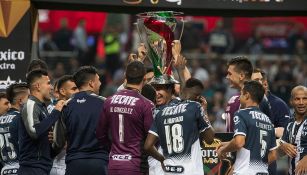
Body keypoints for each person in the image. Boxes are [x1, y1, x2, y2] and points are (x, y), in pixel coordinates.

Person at [144, 78, 214, 175]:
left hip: (167, 170)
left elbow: (147, 146)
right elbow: (210, 139)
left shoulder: (160, 113)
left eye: (159, 89)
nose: (156, 93)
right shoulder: (194, 107)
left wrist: (161, 159)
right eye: (154, 89)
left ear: (170, 89)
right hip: (189, 171)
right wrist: (203, 111)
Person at [96, 61, 154, 175]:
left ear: (125, 78)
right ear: (145, 80)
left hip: (113, 164)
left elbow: (100, 134)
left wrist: (113, 149)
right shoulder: (146, 104)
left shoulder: (109, 101)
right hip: (135, 165)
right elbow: (151, 140)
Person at [53, 66, 108, 175]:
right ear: (91, 83)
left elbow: (58, 142)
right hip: (99, 162)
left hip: (74, 163)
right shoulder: (105, 103)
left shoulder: (66, 106)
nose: (100, 83)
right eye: (99, 80)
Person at [217, 80, 277, 175]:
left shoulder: (242, 113)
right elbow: (273, 155)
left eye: (241, 94)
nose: (239, 98)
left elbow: (239, 143)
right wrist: (227, 144)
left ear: (247, 95)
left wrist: (223, 150)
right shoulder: (268, 121)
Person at [18, 69, 65, 175]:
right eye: (48, 83)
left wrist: (56, 141)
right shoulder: (30, 104)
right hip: (31, 168)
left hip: (42, 168)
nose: (51, 87)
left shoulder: (42, 108)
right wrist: (56, 112)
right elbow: (34, 131)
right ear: (38, 86)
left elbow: (42, 137)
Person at [224, 56, 271, 132]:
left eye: (230, 74)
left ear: (241, 76)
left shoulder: (257, 98)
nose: (227, 77)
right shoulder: (233, 98)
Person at [50, 75, 78, 175]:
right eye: (74, 89)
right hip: (57, 165)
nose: (77, 92)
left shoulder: (74, 110)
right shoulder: (53, 110)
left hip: (70, 164)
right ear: (62, 91)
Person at [252, 68, 290, 138]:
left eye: (254, 83)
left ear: (265, 84)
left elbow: (287, 133)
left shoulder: (279, 105)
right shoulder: (246, 103)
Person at [0, 83, 29, 175]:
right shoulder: (22, 118)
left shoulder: (0, 119)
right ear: (20, 101)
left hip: (5, 170)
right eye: (29, 97)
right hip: (21, 169)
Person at [278, 86, 307, 175]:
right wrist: (283, 146)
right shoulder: (289, 123)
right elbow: (280, 152)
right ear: (291, 101)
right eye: (297, 99)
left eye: (305, 99)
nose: (301, 102)